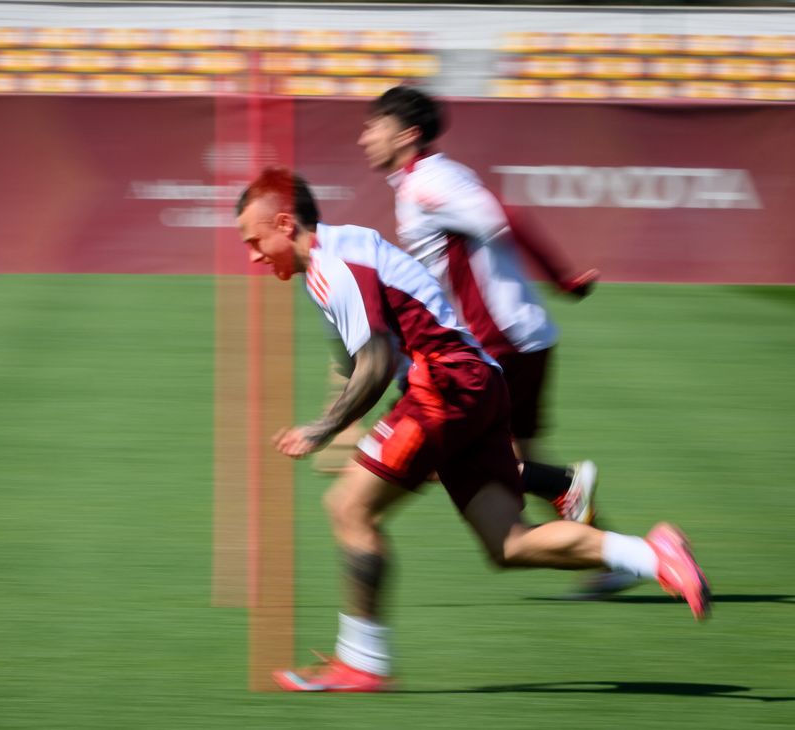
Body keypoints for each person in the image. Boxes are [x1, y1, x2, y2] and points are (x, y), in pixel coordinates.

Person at [235, 167, 710, 693]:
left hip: (445, 385)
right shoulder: (334, 261)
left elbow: (371, 363)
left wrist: (323, 429)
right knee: (509, 545)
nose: (254, 256)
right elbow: (359, 360)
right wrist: (342, 419)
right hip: (478, 383)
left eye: (255, 242)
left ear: (284, 222)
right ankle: (652, 553)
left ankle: (362, 662)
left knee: (349, 508)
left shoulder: (333, 264)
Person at [358, 85, 638, 596]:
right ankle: (612, 555)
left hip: (494, 345)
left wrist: (563, 277)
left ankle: (568, 491)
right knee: (507, 460)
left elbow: (505, 217)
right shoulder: (436, 177)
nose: (364, 137)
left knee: (447, 458)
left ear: (408, 134)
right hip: (519, 338)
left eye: (375, 125)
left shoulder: (428, 184)